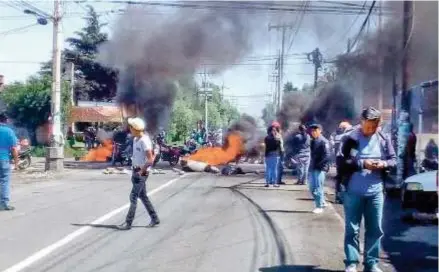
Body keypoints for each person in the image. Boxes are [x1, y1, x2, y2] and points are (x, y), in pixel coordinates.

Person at [338, 107, 396, 272]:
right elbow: (342, 163)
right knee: (352, 228)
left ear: (379, 124)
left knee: (375, 229)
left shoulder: (384, 138)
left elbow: (393, 160)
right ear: (361, 121)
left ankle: (371, 264)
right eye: (367, 125)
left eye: (373, 126)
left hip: (376, 192)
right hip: (353, 192)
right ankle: (351, 262)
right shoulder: (350, 139)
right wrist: (363, 164)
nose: (369, 129)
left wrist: (384, 164)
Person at [118, 117, 160, 230]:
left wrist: (142, 171)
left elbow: (150, 160)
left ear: (135, 129)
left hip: (141, 173)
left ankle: (128, 222)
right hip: (135, 170)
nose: (129, 129)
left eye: (131, 127)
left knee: (133, 196)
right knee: (143, 196)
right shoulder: (136, 139)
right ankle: (155, 218)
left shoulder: (144, 141)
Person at [308, 123, 330, 214]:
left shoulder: (324, 141)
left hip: (320, 168)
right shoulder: (313, 141)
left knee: (317, 187)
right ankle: (322, 202)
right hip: (313, 167)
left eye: (315, 130)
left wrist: (320, 165)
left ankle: (319, 206)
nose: (313, 132)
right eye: (312, 130)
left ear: (320, 131)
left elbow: (327, 156)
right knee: (312, 187)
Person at [0, 112, 18, 211]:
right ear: (6, 120)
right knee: (4, 181)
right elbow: (14, 149)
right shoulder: (9, 131)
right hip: (4, 159)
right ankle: (4, 204)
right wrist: (16, 163)